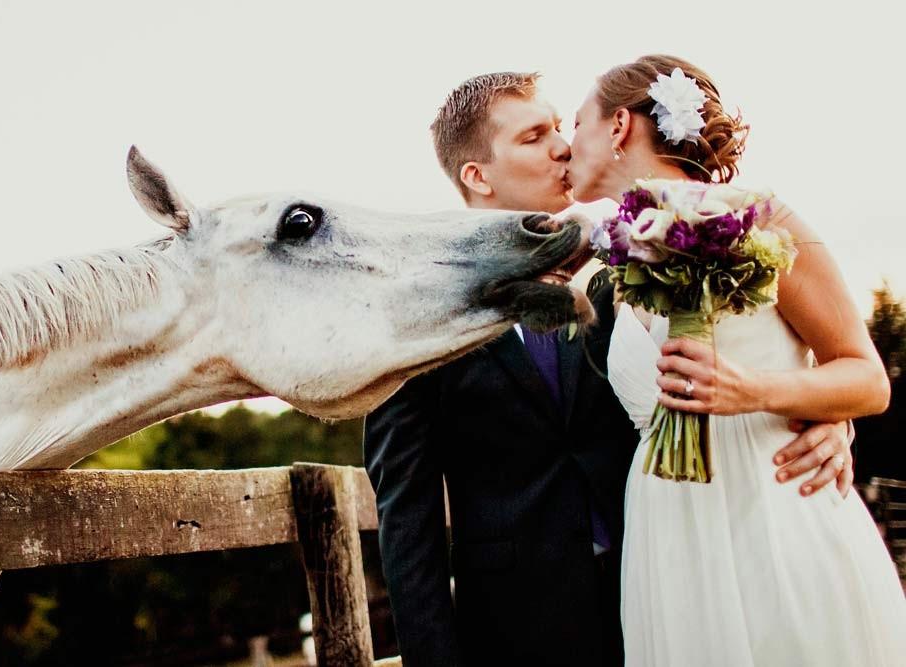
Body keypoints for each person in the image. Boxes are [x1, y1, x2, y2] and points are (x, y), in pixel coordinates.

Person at [365, 71, 857, 667]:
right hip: (518, 630)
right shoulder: (416, 317)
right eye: (533, 137)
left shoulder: (633, 265)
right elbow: (407, 515)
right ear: (477, 175)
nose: (562, 147)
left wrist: (827, 416)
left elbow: (744, 359)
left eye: (559, 128)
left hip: (663, 593)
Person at [566, 54, 906, 665]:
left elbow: (867, 377)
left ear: (619, 126)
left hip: (773, 508)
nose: (567, 147)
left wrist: (760, 392)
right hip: (668, 530)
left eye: (576, 123)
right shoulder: (614, 266)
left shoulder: (763, 219)